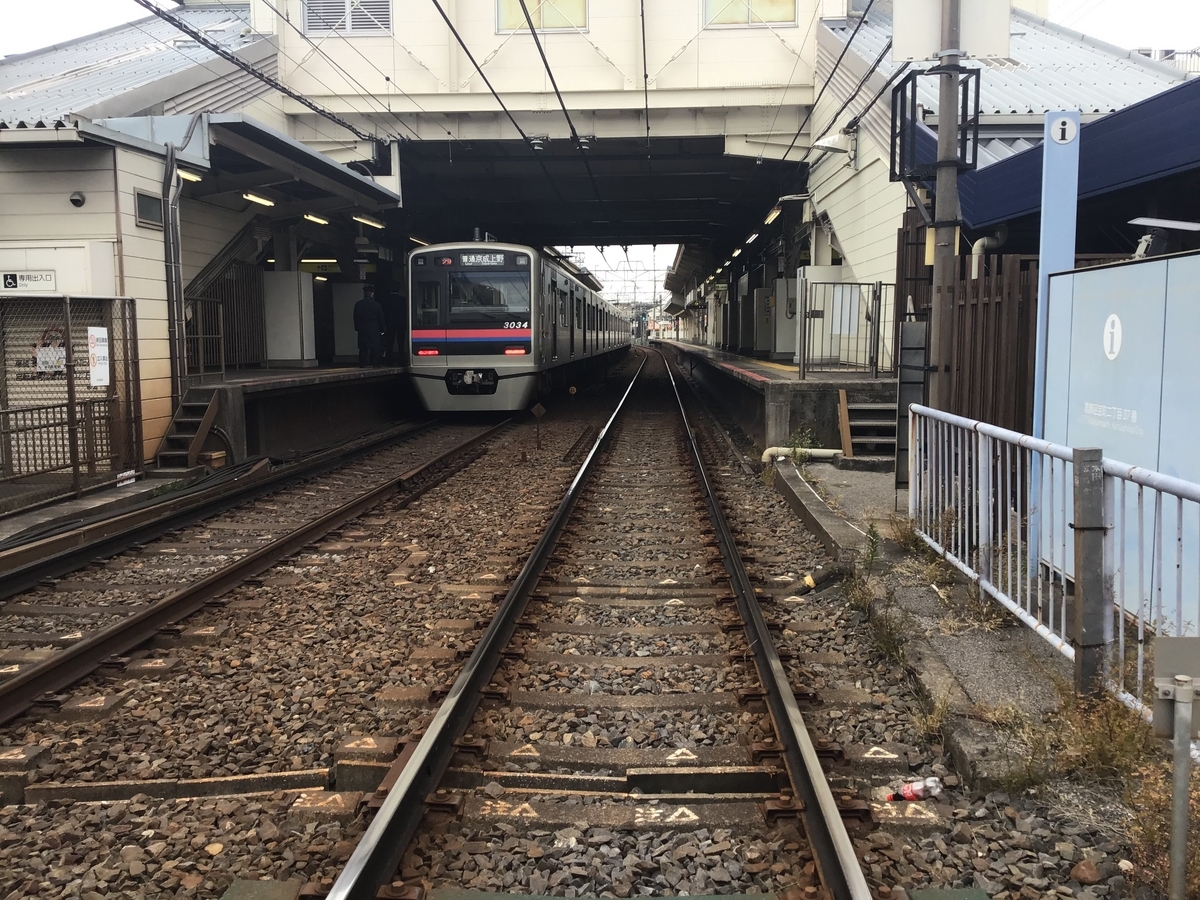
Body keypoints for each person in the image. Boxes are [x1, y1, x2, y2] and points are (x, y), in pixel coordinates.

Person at [353, 284, 386, 367]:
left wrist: (357, 328)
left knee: (363, 347)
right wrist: (382, 329)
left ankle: (363, 364)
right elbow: (381, 318)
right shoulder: (376, 304)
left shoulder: (358, 304)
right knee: (375, 347)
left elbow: (355, 317)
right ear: (372, 294)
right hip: (374, 327)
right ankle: (375, 363)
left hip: (362, 328)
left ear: (364, 293)